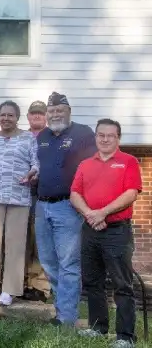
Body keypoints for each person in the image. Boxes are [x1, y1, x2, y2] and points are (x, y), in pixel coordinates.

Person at [71, 119, 141, 348]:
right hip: (90, 229)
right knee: (93, 281)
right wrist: (91, 215)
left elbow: (131, 193)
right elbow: (74, 194)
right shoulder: (85, 164)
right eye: (101, 135)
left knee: (122, 284)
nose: (105, 139)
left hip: (117, 231)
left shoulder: (128, 162)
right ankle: (98, 328)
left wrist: (103, 213)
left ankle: (125, 337)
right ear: (96, 137)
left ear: (118, 138)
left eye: (110, 135)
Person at [35, 91, 97, 326]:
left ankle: (67, 317)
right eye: (51, 111)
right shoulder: (42, 136)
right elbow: (39, 164)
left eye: (60, 110)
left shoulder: (83, 133)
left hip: (68, 207)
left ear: (69, 112)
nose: (55, 114)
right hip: (42, 206)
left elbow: (91, 168)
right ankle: (62, 309)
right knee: (48, 261)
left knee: (68, 263)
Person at [0, 100, 39, 306]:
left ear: (17, 117)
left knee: (15, 245)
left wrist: (33, 172)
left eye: (10, 115)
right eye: (3, 115)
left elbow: (36, 163)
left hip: (19, 197)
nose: (6, 118)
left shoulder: (28, 138)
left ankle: (10, 290)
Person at [23, 100, 50, 302]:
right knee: (22, 241)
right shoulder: (22, 137)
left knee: (40, 241)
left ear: (46, 116)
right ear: (28, 117)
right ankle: (21, 283)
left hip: (43, 194)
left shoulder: (52, 137)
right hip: (22, 194)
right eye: (34, 114)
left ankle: (39, 285)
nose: (37, 116)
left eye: (41, 113)